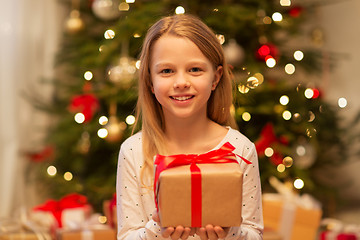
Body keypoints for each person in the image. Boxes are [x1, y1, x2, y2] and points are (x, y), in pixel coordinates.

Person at [116, 14, 263, 240]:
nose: (181, 82)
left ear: (215, 78)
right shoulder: (134, 152)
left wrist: (230, 233)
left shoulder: (240, 150)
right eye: (166, 71)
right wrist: (158, 231)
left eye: (195, 69)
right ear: (150, 82)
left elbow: (254, 234)